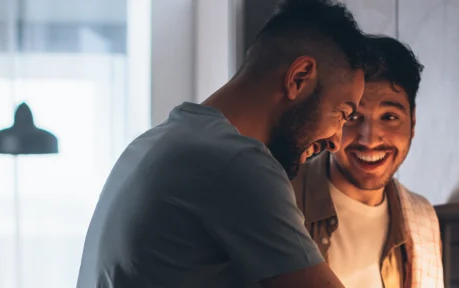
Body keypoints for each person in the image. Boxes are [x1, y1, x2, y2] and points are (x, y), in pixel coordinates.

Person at [77, 0, 381, 287]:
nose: (336, 142)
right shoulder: (236, 162)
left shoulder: (157, 141)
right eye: (342, 114)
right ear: (299, 78)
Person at [290, 36, 443, 288]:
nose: (369, 139)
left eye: (390, 117)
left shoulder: (422, 218)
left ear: (412, 122)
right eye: (353, 117)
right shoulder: (283, 197)